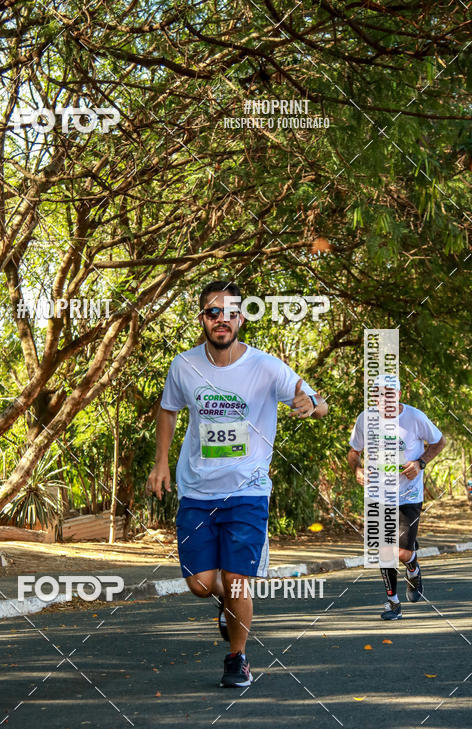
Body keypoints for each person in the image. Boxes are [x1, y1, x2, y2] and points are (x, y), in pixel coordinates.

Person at [146, 280, 328, 687]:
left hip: (248, 490)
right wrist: (161, 463)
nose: (221, 320)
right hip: (196, 490)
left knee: (237, 579)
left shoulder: (266, 367)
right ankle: (225, 604)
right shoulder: (184, 366)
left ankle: (237, 658)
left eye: (229, 313)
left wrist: (310, 403)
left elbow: (320, 404)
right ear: (203, 319)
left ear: (242, 318)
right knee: (200, 584)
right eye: (213, 313)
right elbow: (168, 410)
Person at [347, 375, 446, 620]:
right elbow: (354, 451)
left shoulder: (415, 418)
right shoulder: (365, 419)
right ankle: (393, 603)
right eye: (378, 394)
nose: (384, 399)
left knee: (400, 552)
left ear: (399, 395)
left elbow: (439, 442)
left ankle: (412, 565)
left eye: (389, 393)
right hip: (378, 495)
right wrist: (357, 469)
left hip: (408, 495)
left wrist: (420, 463)